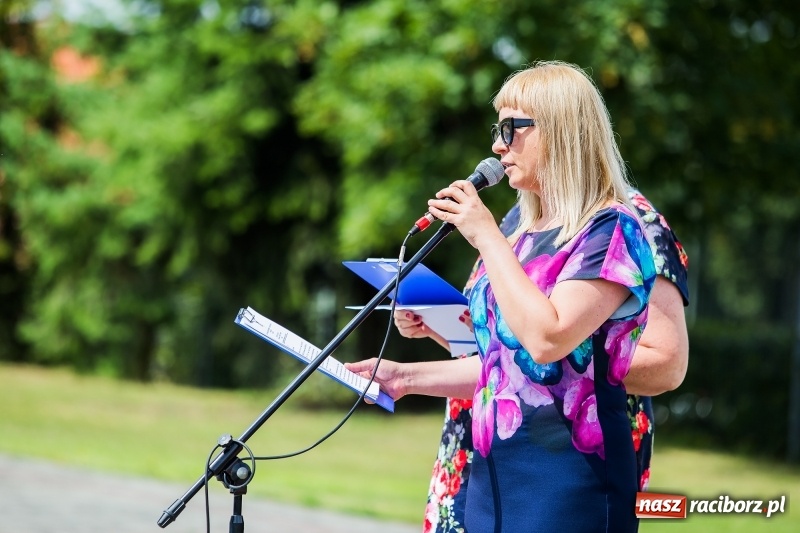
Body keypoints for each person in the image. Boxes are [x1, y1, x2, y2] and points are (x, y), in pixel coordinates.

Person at [346, 61, 657, 532]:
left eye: (511, 129)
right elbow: (504, 368)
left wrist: (486, 235)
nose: (497, 145)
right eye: (498, 129)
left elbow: (547, 340)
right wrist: (402, 377)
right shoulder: (525, 236)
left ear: (560, 131)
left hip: (570, 482)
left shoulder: (611, 230)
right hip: (493, 477)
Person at [398, 191, 689, 533]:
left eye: (511, 135)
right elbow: (508, 349)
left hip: (565, 464)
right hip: (479, 456)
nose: (499, 155)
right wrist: (441, 333)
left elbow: (667, 364)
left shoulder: (630, 221)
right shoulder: (520, 217)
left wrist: (552, 354)